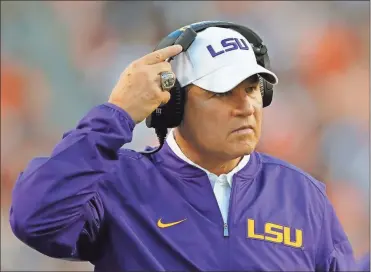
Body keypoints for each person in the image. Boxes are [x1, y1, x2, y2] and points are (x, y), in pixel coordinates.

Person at [9, 23, 356, 271]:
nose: (246, 106)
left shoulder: (302, 195)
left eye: (252, 89)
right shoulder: (118, 183)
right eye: (222, 92)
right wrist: (117, 115)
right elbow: (34, 219)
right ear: (172, 104)